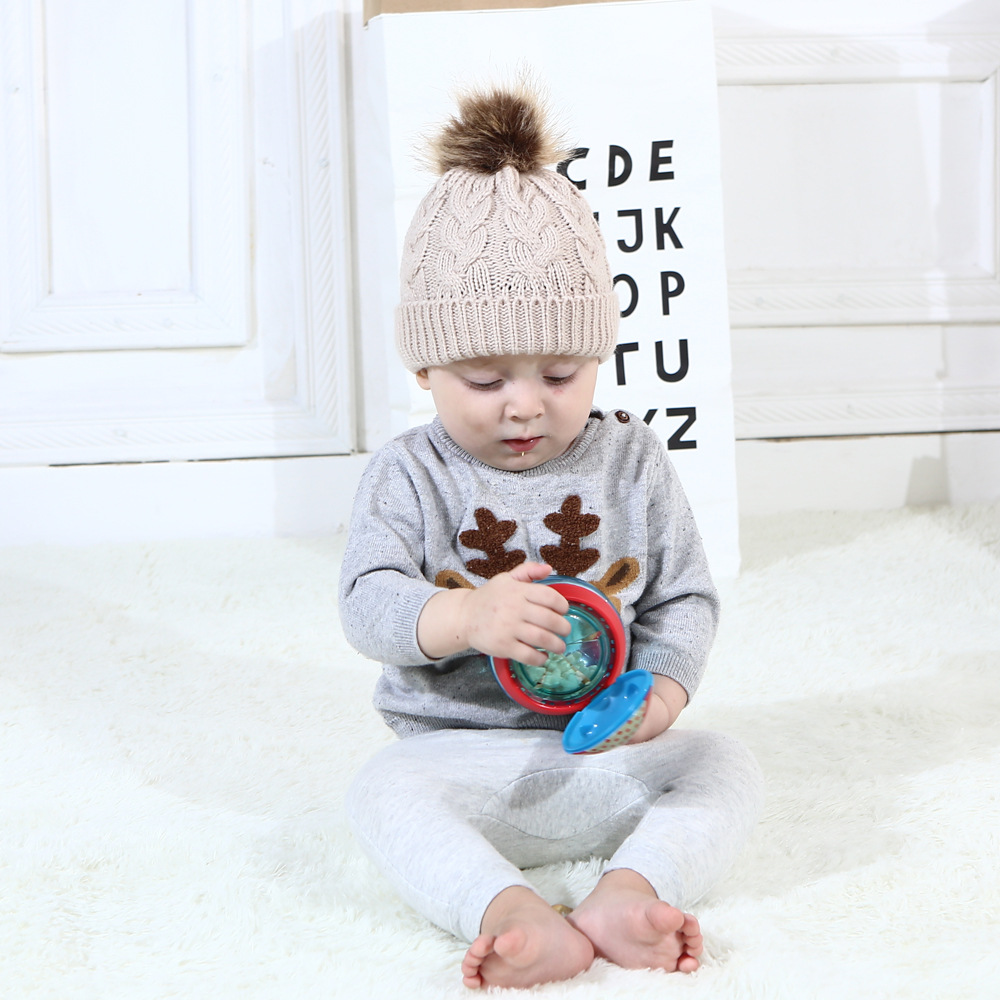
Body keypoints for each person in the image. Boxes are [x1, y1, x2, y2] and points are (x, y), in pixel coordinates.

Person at [339, 84, 763, 990]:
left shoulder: (633, 460)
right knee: (377, 792)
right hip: (456, 757)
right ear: (425, 365)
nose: (526, 403)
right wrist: (463, 620)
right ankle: (505, 906)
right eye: (485, 378)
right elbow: (367, 604)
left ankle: (629, 887)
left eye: (561, 373)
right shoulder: (410, 473)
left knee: (727, 763)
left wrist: (665, 694)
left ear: (599, 355)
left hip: (606, 755)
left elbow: (685, 594)